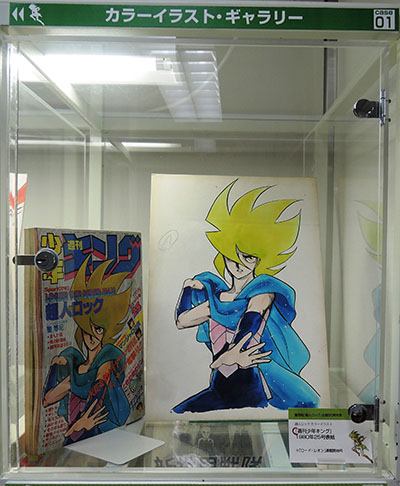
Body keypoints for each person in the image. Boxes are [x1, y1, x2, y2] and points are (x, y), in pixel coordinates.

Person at [173, 180, 319, 413]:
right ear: (224, 253)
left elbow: (252, 318)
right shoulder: (217, 300)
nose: (240, 263)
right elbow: (182, 321)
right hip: (220, 385)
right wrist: (187, 289)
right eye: (234, 255)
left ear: (260, 259)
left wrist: (231, 354)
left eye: (249, 257)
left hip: (252, 385)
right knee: (180, 413)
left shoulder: (262, 291)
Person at [42, 257, 131, 444]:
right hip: (78, 436)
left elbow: (99, 388)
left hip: (105, 432)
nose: (92, 336)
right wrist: (54, 368)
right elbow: (47, 400)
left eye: (98, 329)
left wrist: (83, 422)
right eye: (87, 330)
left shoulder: (107, 358)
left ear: (106, 331)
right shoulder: (76, 370)